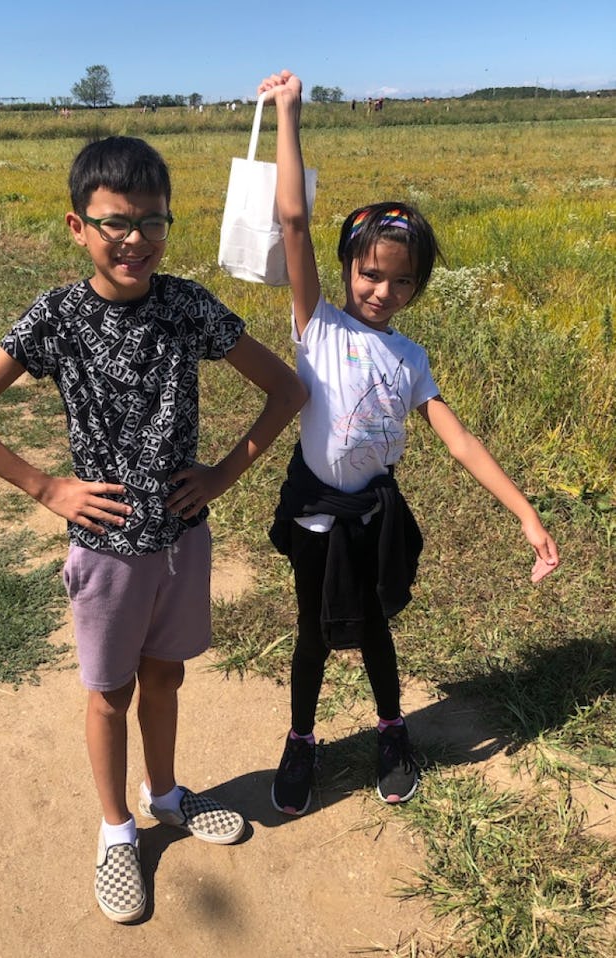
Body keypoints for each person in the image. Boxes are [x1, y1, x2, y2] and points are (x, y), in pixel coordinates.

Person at [0, 135, 307, 923]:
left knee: (166, 675)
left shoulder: (188, 306)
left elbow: (286, 389)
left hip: (183, 538)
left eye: (152, 222)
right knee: (110, 693)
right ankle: (115, 831)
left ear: (168, 227)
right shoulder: (57, 318)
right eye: (114, 224)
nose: (134, 239)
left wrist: (222, 474)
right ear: (78, 226)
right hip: (105, 549)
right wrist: (47, 488)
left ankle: (165, 794)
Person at [257, 70, 560, 815]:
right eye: (368, 273)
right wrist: (291, 115)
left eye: (399, 281)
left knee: (376, 629)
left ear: (417, 287)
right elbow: (293, 222)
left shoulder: (412, 359)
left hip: (373, 516)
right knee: (311, 634)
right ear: (348, 269)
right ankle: (302, 739)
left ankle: (393, 729)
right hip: (313, 513)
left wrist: (525, 514)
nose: (380, 291)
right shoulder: (317, 325)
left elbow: (460, 442)